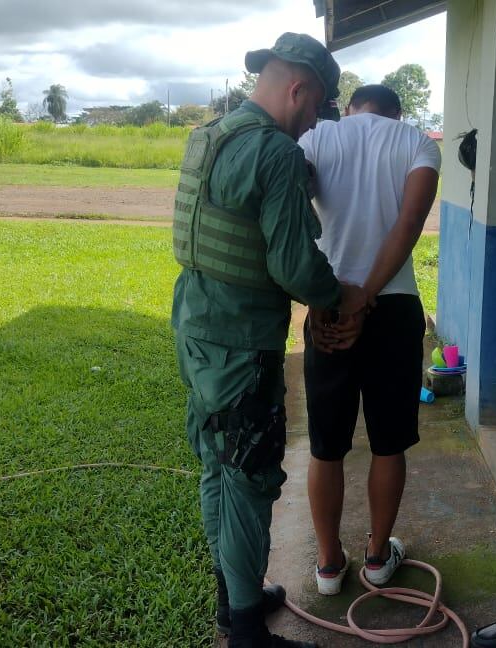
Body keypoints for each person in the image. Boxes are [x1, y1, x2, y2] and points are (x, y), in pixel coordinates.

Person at [171, 33, 367, 648]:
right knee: (250, 477)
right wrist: (341, 294)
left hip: (196, 328)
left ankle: (235, 599)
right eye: (315, 109)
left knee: (214, 465)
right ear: (298, 89)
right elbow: (293, 267)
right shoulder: (275, 154)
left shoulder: (209, 136)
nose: (313, 122)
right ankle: (248, 633)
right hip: (242, 343)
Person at [297, 84, 441, 596]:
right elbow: (410, 223)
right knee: (388, 443)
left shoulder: (318, 138)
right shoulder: (418, 144)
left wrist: (330, 295)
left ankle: (330, 564)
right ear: (397, 112)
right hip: (395, 306)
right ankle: (379, 557)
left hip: (328, 304)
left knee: (326, 445)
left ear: (353, 108)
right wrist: (370, 295)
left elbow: (293, 215)